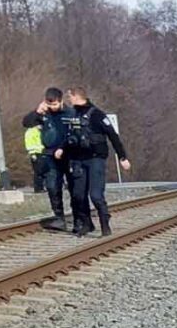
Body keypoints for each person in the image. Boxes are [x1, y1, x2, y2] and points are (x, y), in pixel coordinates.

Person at [53, 87, 130, 237]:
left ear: (76, 97)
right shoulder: (73, 115)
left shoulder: (97, 115)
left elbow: (113, 135)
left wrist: (122, 157)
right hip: (77, 160)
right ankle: (87, 223)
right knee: (78, 195)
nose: (69, 100)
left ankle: (104, 222)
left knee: (95, 195)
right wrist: (61, 148)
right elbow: (70, 135)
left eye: (70, 97)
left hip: (95, 159)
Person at [21, 87, 67, 231]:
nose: (52, 107)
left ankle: (81, 218)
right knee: (53, 187)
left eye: (54, 104)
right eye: (49, 104)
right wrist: (37, 112)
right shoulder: (43, 114)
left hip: (69, 154)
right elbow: (26, 123)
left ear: (61, 101)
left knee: (76, 189)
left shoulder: (69, 113)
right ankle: (59, 217)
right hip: (49, 155)